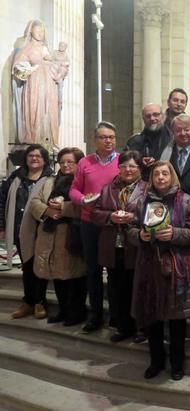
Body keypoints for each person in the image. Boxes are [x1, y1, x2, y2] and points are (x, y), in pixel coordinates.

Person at [128, 161, 190, 381]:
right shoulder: (142, 201)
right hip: (149, 267)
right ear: (151, 178)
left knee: (177, 320)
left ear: (172, 177)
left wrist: (174, 234)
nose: (160, 177)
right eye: (156, 174)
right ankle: (156, 361)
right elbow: (130, 229)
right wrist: (140, 236)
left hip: (177, 267)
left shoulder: (185, 200)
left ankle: (177, 363)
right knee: (153, 318)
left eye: (165, 173)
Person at [21, 147, 85, 325]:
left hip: (72, 235)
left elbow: (86, 206)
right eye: (62, 162)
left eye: (70, 162)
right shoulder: (49, 181)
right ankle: (63, 310)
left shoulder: (83, 181)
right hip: (50, 235)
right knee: (57, 275)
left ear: (79, 163)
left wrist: (63, 208)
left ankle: (76, 313)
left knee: (75, 276)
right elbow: (34, 202)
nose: (65, 165)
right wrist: (47, 211)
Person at [70, 121, 121, 332]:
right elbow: (74, 190)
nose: (108, 141)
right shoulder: (85, 162)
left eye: (111, 137)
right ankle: (96, 315)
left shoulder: (122, 161)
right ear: (95, 140)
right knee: (93, 270)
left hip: (112, 223)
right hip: (89, 222)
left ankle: (116, 316)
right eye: (103, 137)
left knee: (115, 271)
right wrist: (83, 199)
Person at [92, 151, 147, 342]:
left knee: (138, 288)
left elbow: (155, 213)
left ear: (140, 169)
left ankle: (141, 328)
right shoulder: (108, 188)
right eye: (124, 166)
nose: (128, 170)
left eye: (132, 166)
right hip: (113, 246)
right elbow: (95, 213)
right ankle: (123, 327)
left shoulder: (147, 189)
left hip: (137, 246)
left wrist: (134, 217)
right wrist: (110, 217)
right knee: (116, 289)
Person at [2, 144, 54, 319]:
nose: (34, 158)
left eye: (38, 156)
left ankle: (40, 302)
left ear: (44, 159)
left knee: (39, 267)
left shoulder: (51, 179)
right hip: (20, 229)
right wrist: (2, 226)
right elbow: (2, 201)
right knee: (27, 267)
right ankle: (28, 302)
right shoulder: (16, 178)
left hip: (42, 230)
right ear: (26, 158)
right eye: (31, 155)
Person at [11, 20, 60, 147]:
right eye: (37, 30)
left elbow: (57, 67)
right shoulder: (26, 49)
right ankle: (34, 139)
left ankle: (48, 141)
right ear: (31, 31)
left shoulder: (46, 49)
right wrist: (29, 68)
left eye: (42, 31)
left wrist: (54, 65)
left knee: (48, 111)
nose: (40, 33)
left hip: (49, 84)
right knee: (35, 109)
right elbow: (17, 66)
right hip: (34, 84)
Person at [125, 103, 172, 180]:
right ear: (143, 119)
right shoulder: (134, 141)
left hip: (169, 183)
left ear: (163, 116)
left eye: (156, 114)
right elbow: (125, 165)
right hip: (144, 184)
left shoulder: (174, 139)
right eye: (148, 116)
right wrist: (140, 162)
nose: (152, 118)